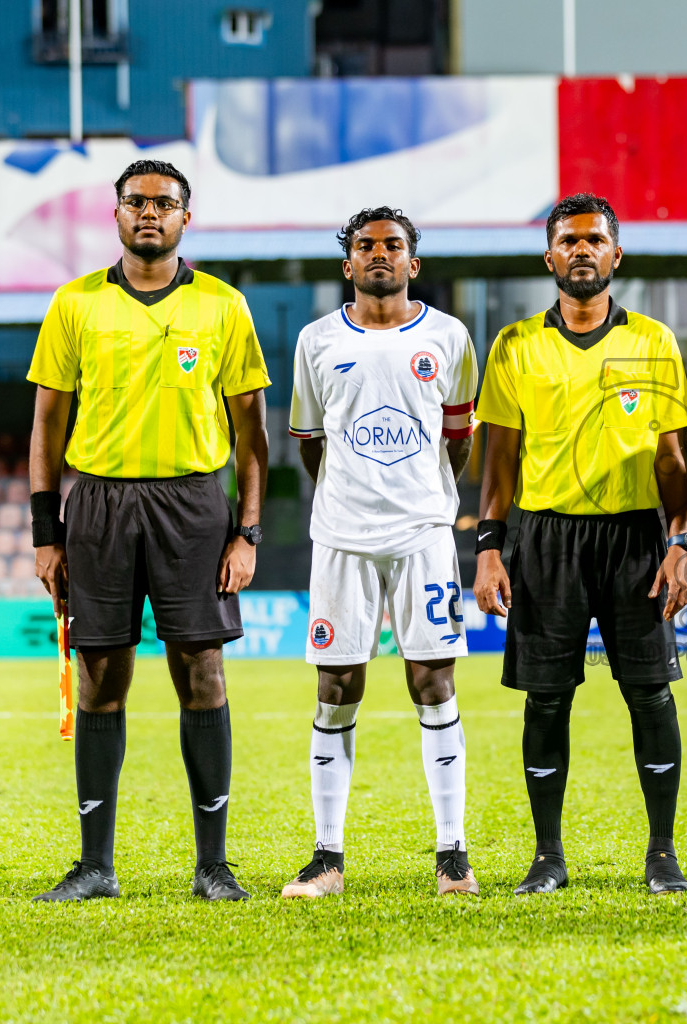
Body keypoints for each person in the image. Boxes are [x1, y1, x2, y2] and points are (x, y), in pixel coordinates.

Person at [28, 159, 270, 902]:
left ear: (185, 218)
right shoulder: (75, 304)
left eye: (164, 203)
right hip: (98, 504)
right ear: (116, 213)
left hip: (195, 507)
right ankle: (96, 867)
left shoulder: (223, 306)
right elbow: (45, 425)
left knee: (202, 670)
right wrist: (47, 531)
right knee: (101, 676)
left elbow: (252, 435)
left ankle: (213, 866)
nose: (149, 214)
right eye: (136, 202)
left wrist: (248, 533)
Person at [473, 193, 687, 895]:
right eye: (568, 241)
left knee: (650, 694)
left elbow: (672, 458)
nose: (581, 250)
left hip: (634, 538)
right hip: (544, 541)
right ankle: (548, 856)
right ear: (550, 257)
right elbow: (499, 461)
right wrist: (489, 547)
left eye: (594, 239)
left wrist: (681, 538)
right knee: (545, 700)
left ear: (615, 254)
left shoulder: (655, 341)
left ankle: (662, 854)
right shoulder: (515, 345)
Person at [280, 207, 480, 899]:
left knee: (435, 683)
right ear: (348, 264)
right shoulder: (316, 340)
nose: (379, 256)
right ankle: (327, 857)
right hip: (341, 538)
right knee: (336, 688)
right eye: (365, 247)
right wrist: (354, 497)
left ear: (413, 263)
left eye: (393, 246)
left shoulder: (450, 337)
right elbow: (310, 440)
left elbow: (458, 437)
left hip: (424, 535)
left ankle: (453, 853)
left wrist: (423, 496)